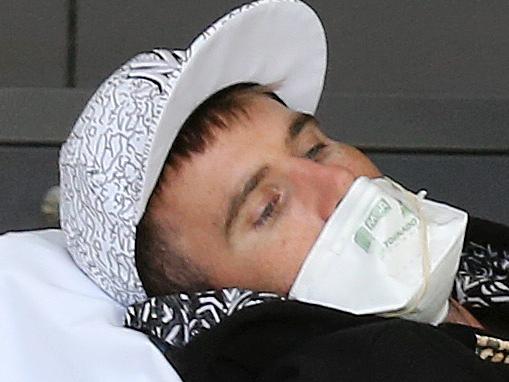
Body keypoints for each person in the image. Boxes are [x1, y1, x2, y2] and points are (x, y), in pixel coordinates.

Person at [60, 0, 509, 380]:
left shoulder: (482, 267)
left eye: (314, 150)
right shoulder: (367, 365)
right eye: (268, 208)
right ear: (209, 302)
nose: (340, 183)